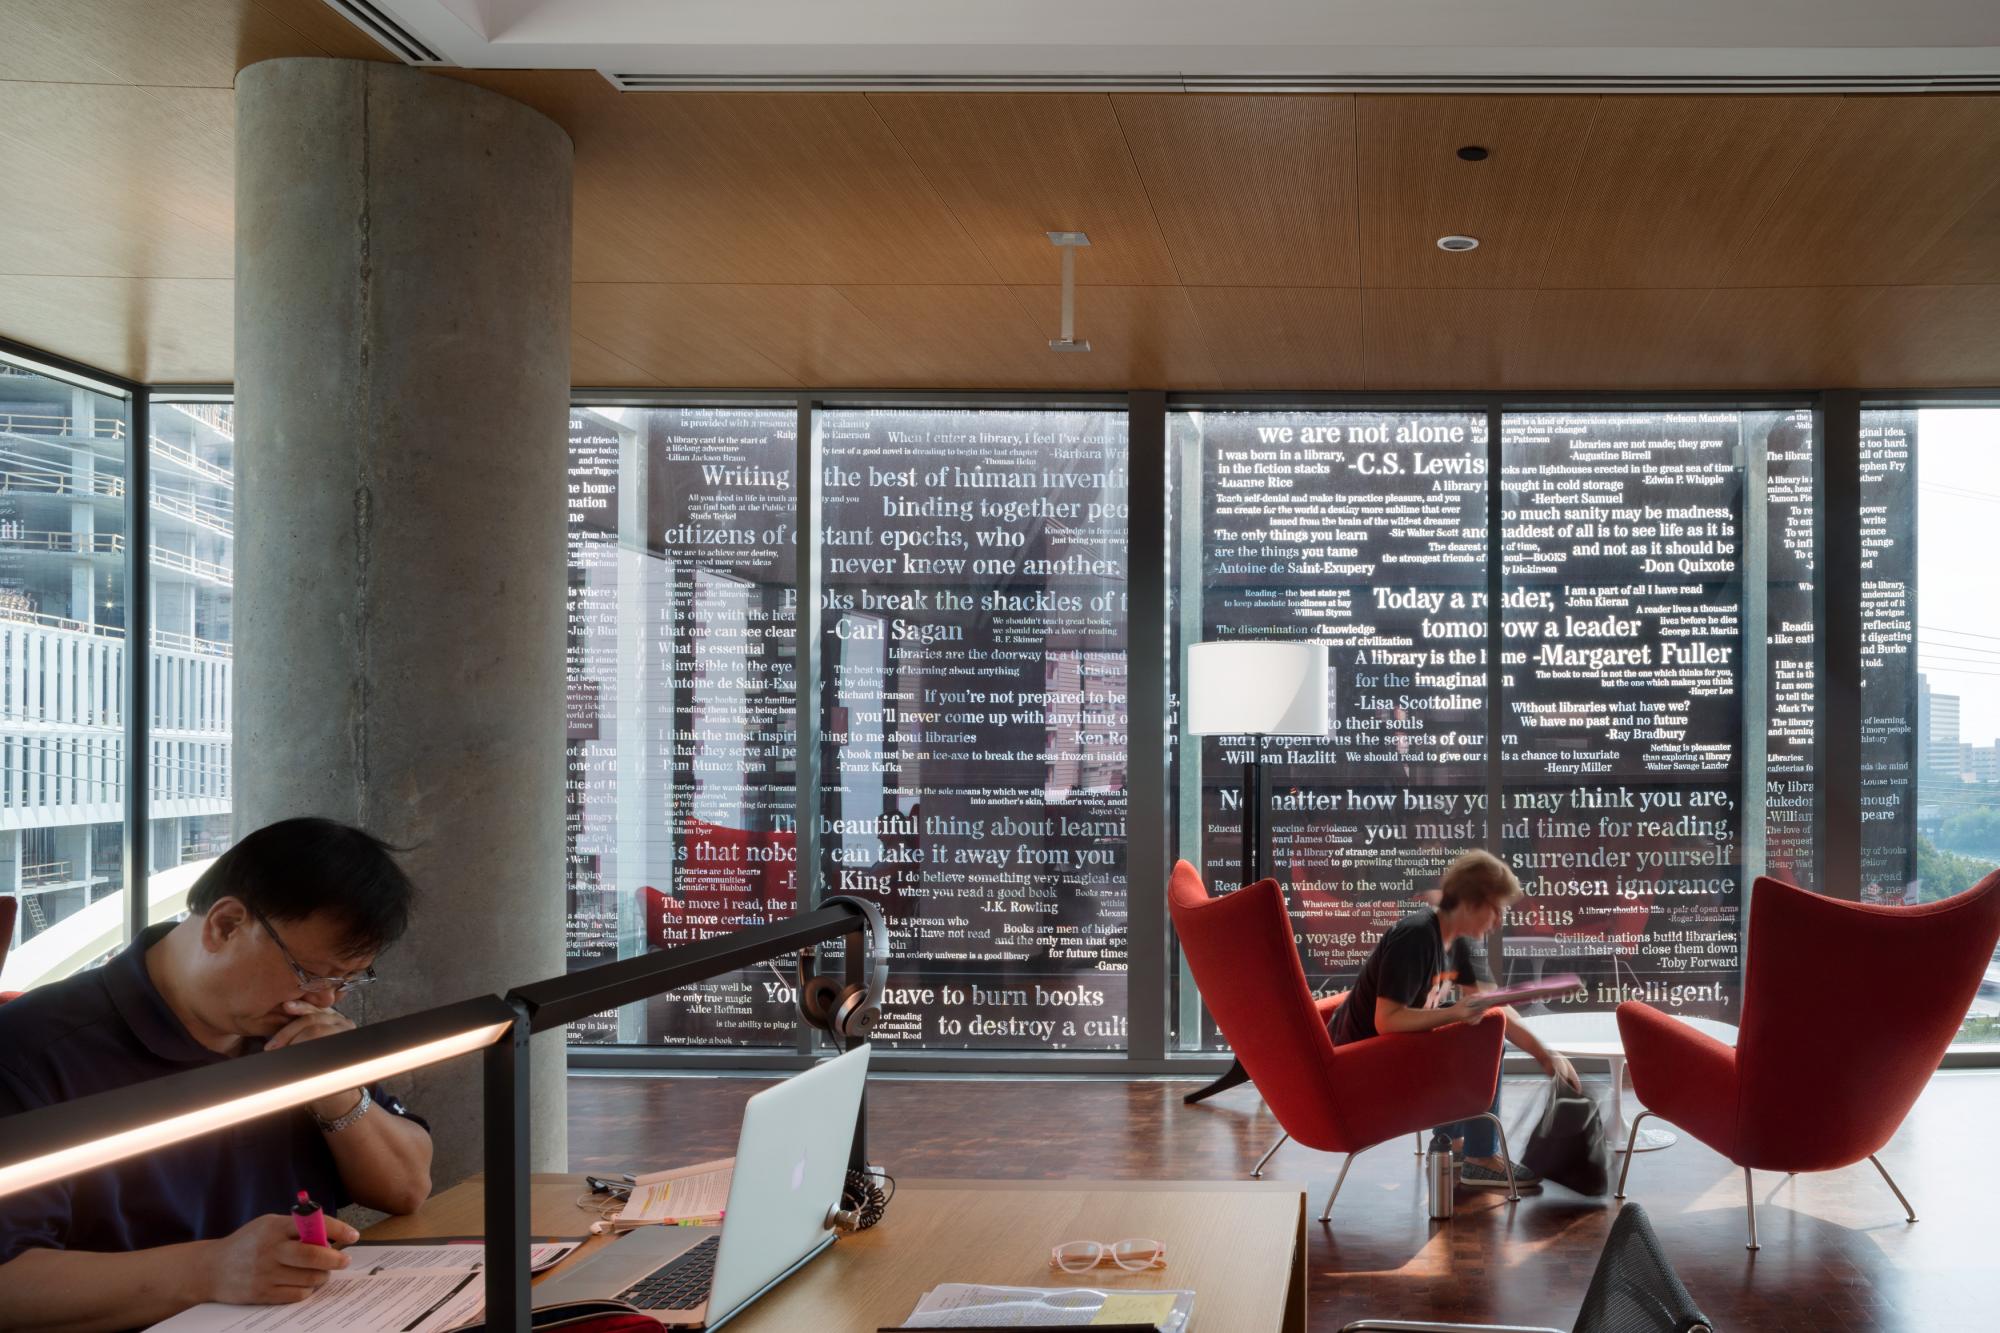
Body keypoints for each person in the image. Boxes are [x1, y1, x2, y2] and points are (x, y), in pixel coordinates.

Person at [0, 818, 434, 1332]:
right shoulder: (31, 1052)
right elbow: (11, 1284)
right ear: (225, 924)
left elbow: (407, 1188)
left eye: (345, 982)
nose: (324, 1000)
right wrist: (210, 1270)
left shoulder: (294, 1030)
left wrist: (337, 1092)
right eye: (311, 975)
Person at [1331, 848, 1580, 1190]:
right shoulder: (1416, 935)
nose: (1499, 921)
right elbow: (1386, 1021)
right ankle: (1479, 1157)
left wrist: (1544, 1053)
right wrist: (1455, 1012)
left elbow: (1493, 1005)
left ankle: (1453, 1142)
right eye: (1496, 909)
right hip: (1360, 1067)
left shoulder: (1460, 940)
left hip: (1394, 1054)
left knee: (1481, 1027)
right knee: (1482, 1040)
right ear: (1470, 902)